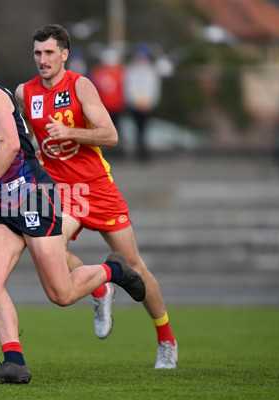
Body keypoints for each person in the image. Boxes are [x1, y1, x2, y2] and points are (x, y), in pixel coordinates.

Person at [0, 36, 146, 384]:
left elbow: (7, 146)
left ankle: (112, 271)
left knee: (61, 294)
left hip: (33, 194)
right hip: (2, 203)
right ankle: (14, 361)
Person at [15, 24, 177, 369]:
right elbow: (28, 142)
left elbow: (111, 135)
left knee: (134, 265)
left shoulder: (80, 85)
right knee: (51, 253)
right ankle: (101, 286)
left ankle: (166, 339)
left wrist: (70, 131)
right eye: (37, 53)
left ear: (64, 55)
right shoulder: (23, 93)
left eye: (48, 53)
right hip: (62, 191)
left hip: (97, 188)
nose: (42, 60)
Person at [124, 44, 162, 163]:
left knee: (145, 129)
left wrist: (150, 103)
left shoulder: (151, 71)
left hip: (147, 105)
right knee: (137, 129)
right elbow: (128, 88)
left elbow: (154, 89)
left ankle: (144, 151)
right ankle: (139, 151)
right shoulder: (131, 70)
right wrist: (134, 102)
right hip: (135, 105)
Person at [88, 47, 126, 157]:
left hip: (117, 106)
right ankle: (107, 150)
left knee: (117, 129)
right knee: (104, 129)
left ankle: (118, 149)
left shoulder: (120, 71)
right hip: (104, 106)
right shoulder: (98, 71)